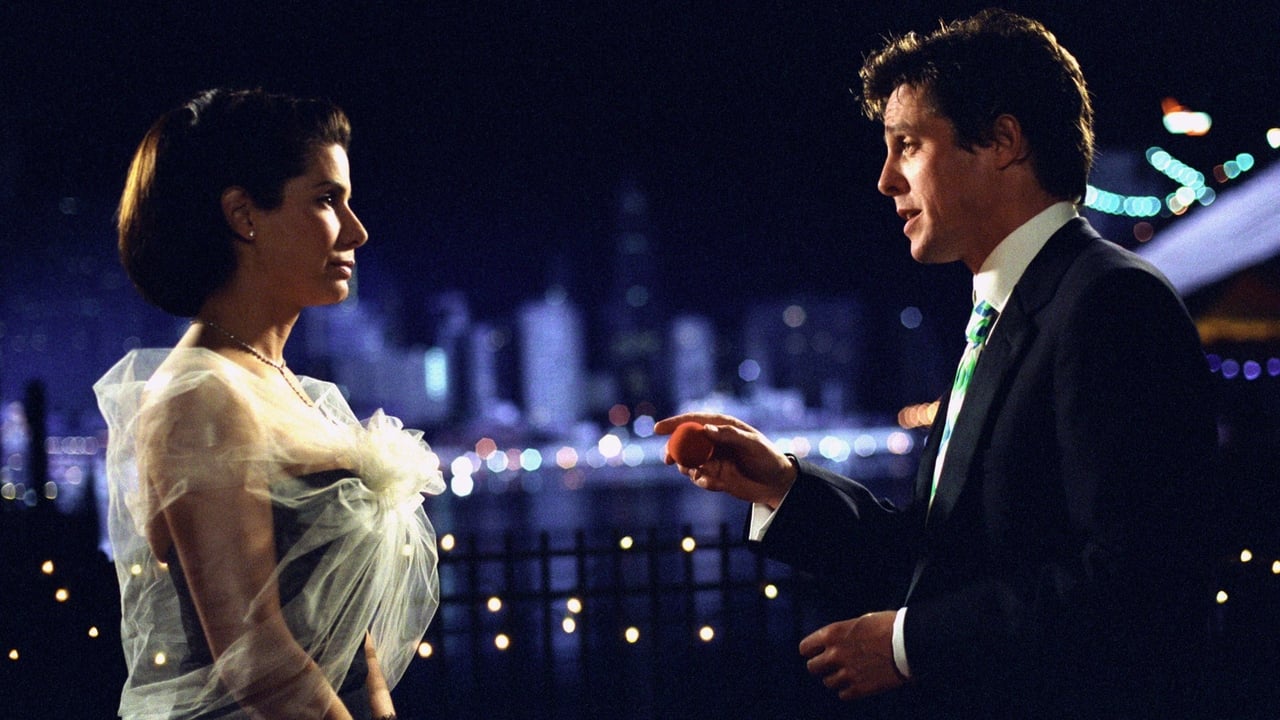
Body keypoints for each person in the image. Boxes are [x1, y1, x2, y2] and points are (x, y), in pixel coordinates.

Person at [657, 9, 1217, 719]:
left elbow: (1141, 584)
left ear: (1004, 142)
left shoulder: (1111, 303)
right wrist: (782, 486)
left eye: (909, 144)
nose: (885, 179)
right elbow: (938, 553)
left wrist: (906, 645)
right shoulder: (1011, 311)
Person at [93, 88, 444, 720]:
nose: (357, 231)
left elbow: (341, 638)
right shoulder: (200, 395)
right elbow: (256, 657)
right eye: (327, 199)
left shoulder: (290, 386)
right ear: (243, 215)